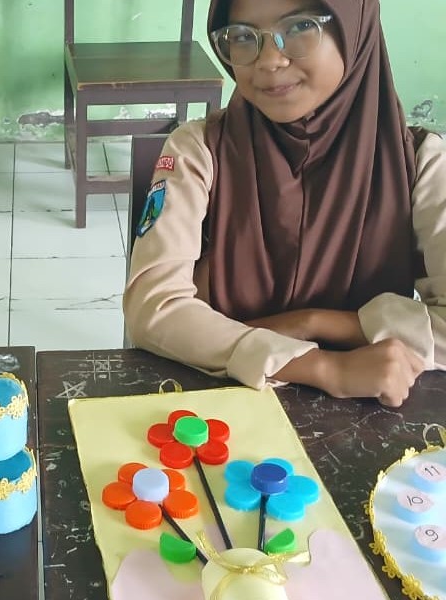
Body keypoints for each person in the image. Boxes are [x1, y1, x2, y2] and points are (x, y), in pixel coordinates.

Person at [124, 0, 446, 407]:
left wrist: (312, 322)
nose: (269, 61)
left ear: (355, 29)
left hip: (367, 412)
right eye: (242, 36)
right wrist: (324, 366)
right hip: (217, 409)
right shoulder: (199, 150)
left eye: (299, 27)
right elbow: (153, 308)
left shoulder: (418, 162)